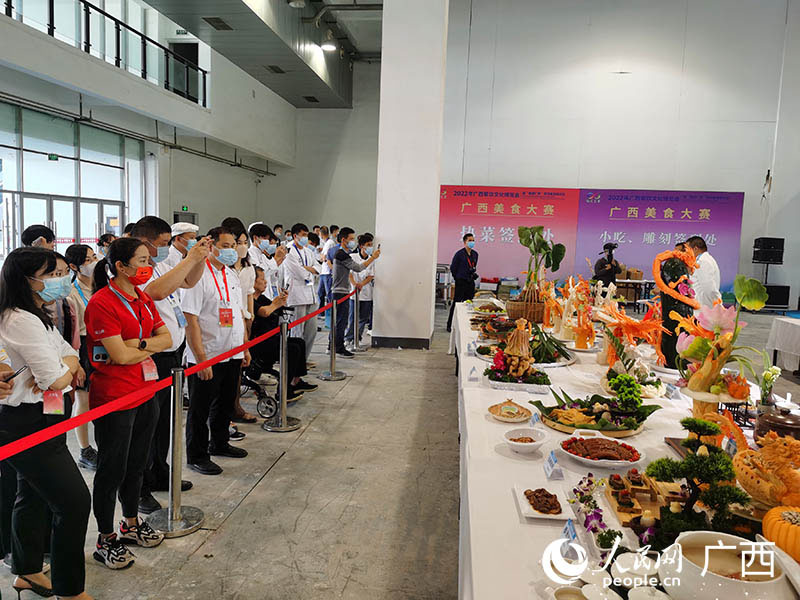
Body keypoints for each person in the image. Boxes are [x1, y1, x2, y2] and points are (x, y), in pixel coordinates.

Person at [0, 247, 93, 600]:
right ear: (26, 280)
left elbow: (69, 356)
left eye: (59, 272)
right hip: (23, 423)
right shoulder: (18, 319)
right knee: (72, 502)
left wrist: (64, 368)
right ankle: (71, 590)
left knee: (32, 495)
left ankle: (27, 570)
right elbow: (56, 378)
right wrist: (65, 370)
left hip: (46, 417)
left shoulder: (36, 313)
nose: (59, 280)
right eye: (51, 274)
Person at [85, 237, 173, 569]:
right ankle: (106, 538)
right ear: (121, 266)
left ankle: (131, 523)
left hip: (145, 392)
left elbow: (168, 339)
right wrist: (142, 348)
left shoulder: (144, 298)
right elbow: (119, 357)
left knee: (137, 465)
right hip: (113, 398)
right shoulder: (102, 302)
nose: (148, 267)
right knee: (112, 469)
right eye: (141, 261)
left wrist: (137, 345)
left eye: (149, 260)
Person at [131, 216, 209, 514]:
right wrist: (189, 259)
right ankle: (138, 488)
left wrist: (198, 258)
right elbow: (157, 292)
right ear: (146, 241)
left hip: (172, 352)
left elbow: (188, 281)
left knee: (164, 420)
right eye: (162, 245)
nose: (165, 250)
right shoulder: (136, 268)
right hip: (152, 355)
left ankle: (158, 471)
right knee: (145, 424)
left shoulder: (160, 264)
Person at [181, 227, 250, 476]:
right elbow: (191, 320)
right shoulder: (197, 275)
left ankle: (219, 443)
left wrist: (244, 346)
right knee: (200, 409)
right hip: (208, 354)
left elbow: (237, 312)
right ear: (211, 246)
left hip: (232, 351)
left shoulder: (231, 274)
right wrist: (201, 360)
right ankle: (197, 455)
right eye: (226, 245)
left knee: (225, 403)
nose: (231, 250)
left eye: (234, 245)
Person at [248, 267, 317, 401]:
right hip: (258, 343)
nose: (265, 282)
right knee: (292, 349)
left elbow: (275, 307)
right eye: (262, 279)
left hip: (271, 338)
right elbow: (265, 311)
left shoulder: (262, 298)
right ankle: (284, 391)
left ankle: (295, 381)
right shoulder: (250, 300)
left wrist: (281, 301)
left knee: (299, 342)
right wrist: (276, 303)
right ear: (252, 281)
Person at [65, 244, 100, 470]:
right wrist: (77, 362)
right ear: (74, 266)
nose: (94, 262)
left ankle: (102, 443)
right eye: (88, 260)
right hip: (84, 346)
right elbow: (72, 334)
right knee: (83, 400)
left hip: (104, 344)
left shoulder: (101, 286)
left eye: (94, 256)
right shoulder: (71, 294)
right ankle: (85, 449)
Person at [332, 227, 381, 358]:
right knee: (341, 321)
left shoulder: (343, 254)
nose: (353, 241)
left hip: (345, 291)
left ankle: (337, 345)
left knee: (343, 321)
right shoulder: (341, 254)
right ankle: (337, 347)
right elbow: (358, 268)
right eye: (351, 239)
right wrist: (373, 258)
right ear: (343, 240)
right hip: (340, 292)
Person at [283, 223, 320, 362]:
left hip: (310, 294)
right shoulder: (289, 251)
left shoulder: (308, 251)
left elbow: (319, 268)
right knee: (297, 333)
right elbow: (300, 273)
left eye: (306, 235)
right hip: (296, 296)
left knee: (311, 331)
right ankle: (294, 364)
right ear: (295, 236)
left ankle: (303, 361)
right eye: (303, 235)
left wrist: (309, 269)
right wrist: (310, 270)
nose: (305, 238)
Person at [345, 233, 376, 351]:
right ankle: (348, 339)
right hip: (354, 293)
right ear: (362, 246)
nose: (370, 247)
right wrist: (355, 284)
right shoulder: (352, 257)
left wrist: (361, 284)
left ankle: (356, 340)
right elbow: (349, 273)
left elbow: (371, 276)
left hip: (367, 292)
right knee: (353, 318)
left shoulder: (371, 259)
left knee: (363, 318)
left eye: (371, 245)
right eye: (368, 245)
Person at [446, 233, 479, 332]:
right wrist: (458, 278)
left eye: (473, 240)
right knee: (457, 303)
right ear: (465, 242)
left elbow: (473, 266)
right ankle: (450, 324)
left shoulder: (475, 254)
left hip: (470, 282)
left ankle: (466, 324)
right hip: (461, 282)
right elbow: (453, 268)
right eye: (470, 240)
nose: (472, 242)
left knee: (468, 304)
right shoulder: (459, 254)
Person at [686, 235, 721, 309]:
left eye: (688, 250)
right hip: (700, 307)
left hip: (704, 308)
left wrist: (710, 308)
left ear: (695, 249)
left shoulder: (704, 262)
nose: (686, 253)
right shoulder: (700, 261)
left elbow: (708, 289)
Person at [317, 226, 335, 317]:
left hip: (328, 272)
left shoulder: (330, 243)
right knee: (320, 293)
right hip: (323, 272)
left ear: (321, 233)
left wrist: (323, 257)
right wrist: (322, 257)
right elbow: (321, 257)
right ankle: (321, 312)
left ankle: (330, 313)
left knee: (329, 294)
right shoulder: (325, 243)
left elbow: (325, 258)